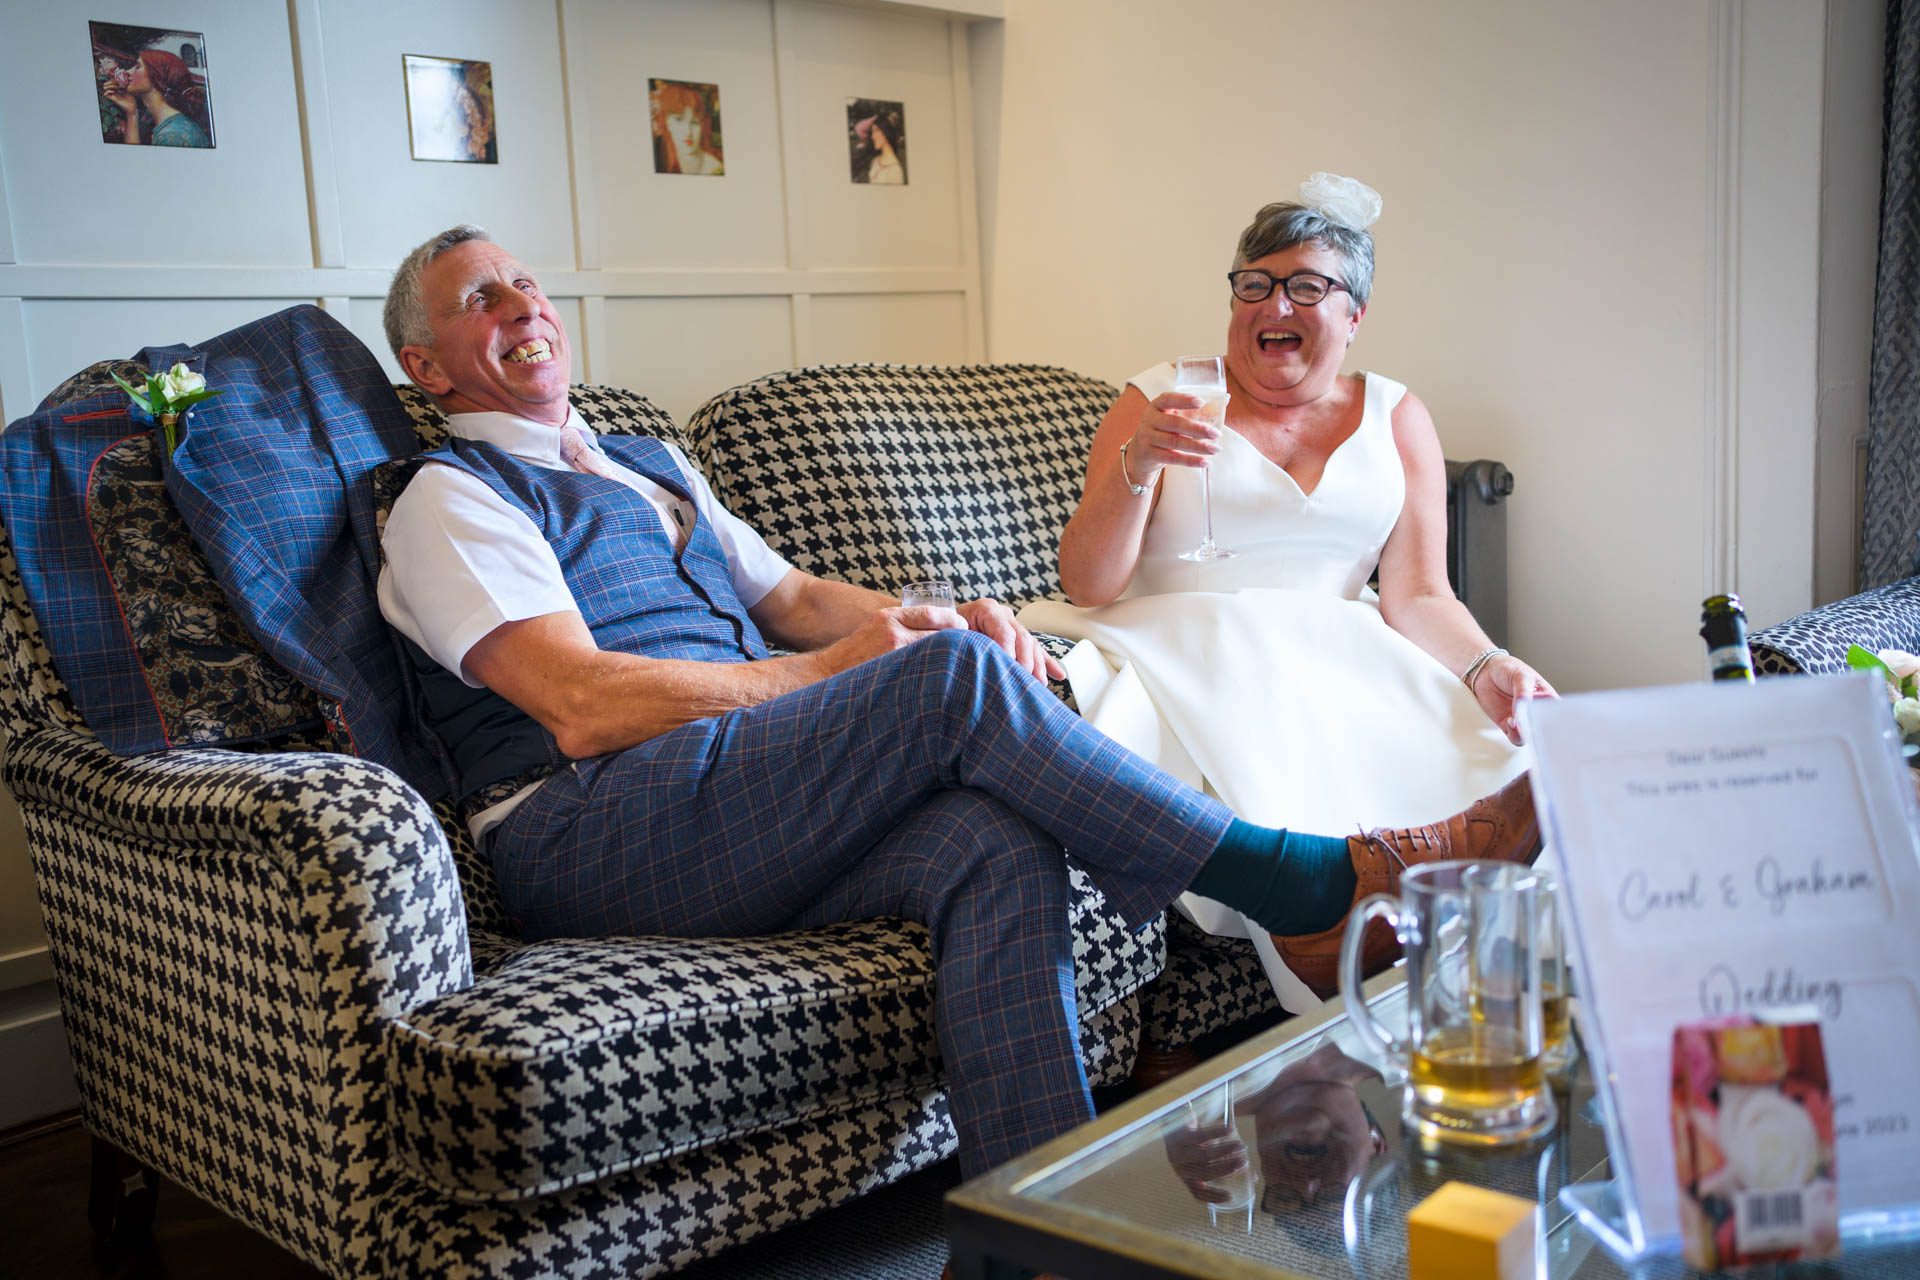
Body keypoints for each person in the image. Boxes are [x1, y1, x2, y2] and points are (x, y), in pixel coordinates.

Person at [375, 224, 1542, 1185]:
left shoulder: (649, 462)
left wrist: (948, 612)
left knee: (993, 836)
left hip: (726, 790)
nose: (521, 302)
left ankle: (1029, 1223)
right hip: (583, 828)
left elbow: (793, 594)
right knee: (944, 686)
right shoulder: (449, 497)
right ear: (431, 370)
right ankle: (1303, 879)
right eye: (481, 298)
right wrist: (879, 666)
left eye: (526, 280)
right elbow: (579, 703)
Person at [1022, 175, 1556, 1007]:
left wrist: (1488, 665)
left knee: (1511, 759)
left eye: (1308, 286)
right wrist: (1142, 465)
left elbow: (1417, 594)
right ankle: (1334, 924)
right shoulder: (1160, 396)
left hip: (1345, 646)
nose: (1275, 303)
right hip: (1180, 641)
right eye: (1255, 285)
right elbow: (1088, 584)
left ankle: (1485, 1008)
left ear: (1354, 315)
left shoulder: (1397, 416)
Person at [101, 48, 211, 148]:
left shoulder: (173, 136)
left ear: (157, 76)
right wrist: (132, 113)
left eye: (138, 67)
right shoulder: (169, 126)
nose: (128, 72)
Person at [652, 81, 724, 175]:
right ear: (666, 122)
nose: (688, 132)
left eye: (694, 123)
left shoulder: (714, 168)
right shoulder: (662, 158)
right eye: (679, 120)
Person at [850, 108, 906, 184]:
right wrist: (878, 117)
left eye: (876, 131)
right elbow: (859, 128)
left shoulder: (895, 171)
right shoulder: (875, 160)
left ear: (886, 132)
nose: (872, 136)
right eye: (872, 132)